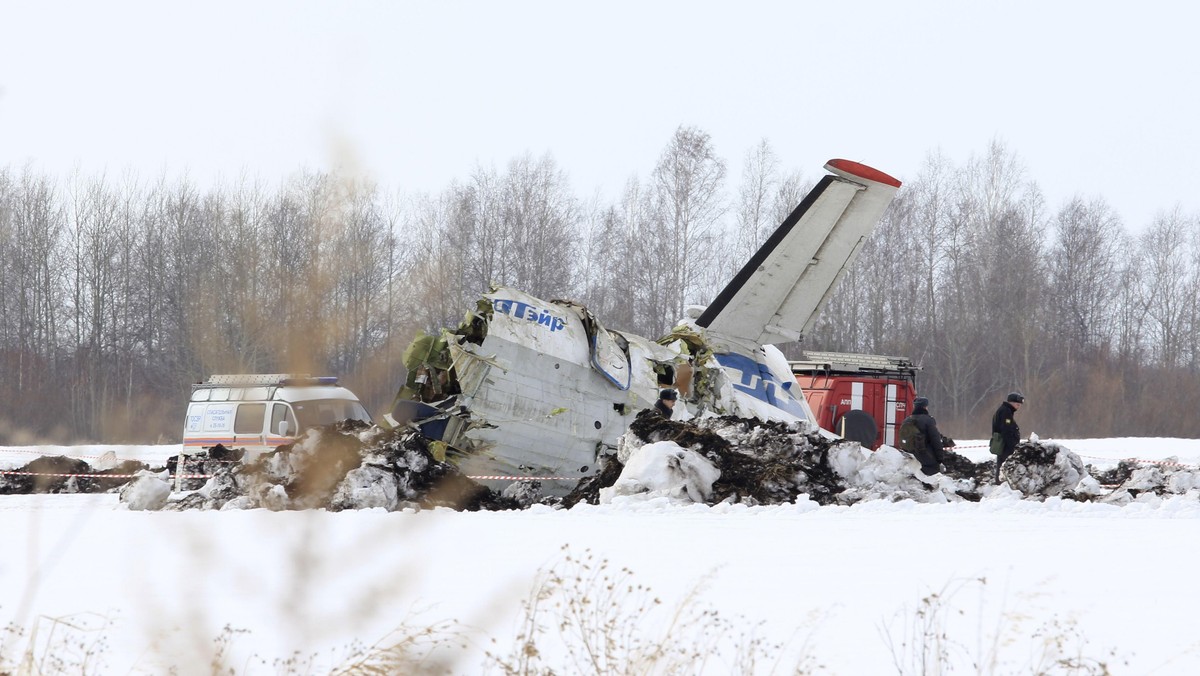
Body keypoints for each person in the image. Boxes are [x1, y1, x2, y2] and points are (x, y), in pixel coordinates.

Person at [900, 396, 953, 476]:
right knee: (935, 473)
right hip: (924, 456)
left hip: (909, 455)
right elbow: (935, 440)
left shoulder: (907, 420)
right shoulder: (928, 420)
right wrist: (939, 458)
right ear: (925, 407)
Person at [991, 392, 1024, 482]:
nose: (1019, 407)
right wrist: (1012, 445)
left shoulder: (1004, 410)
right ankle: (1001, 483)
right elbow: (1006, 430)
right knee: (1004, 464)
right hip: (1005, 445)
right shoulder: (1006, 412)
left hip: (1003, 444)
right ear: (1011, 403)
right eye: (1018, 404)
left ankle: (1000, 481)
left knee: (1001, 464)